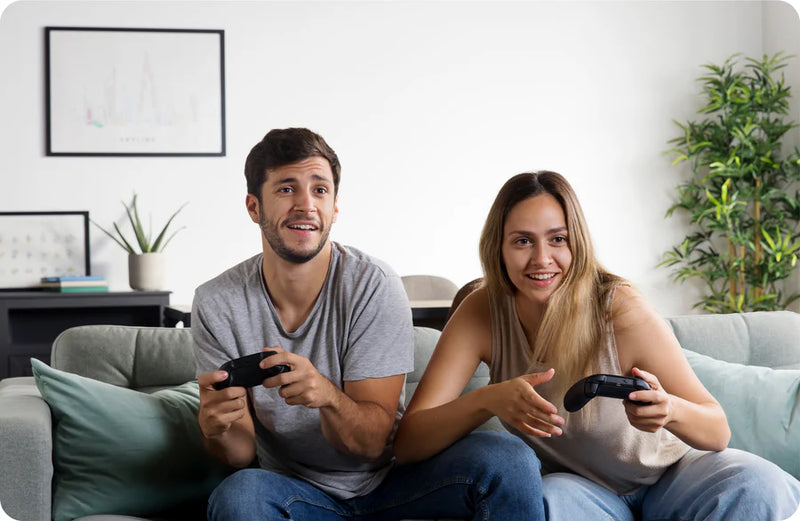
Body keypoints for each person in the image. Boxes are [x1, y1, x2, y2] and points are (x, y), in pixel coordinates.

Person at [393, 171, 800, 520]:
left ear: (578, 244)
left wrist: (669, 409)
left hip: (672, 476)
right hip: (581, 491)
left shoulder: (618, 307)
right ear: (498, 248)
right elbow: (410, 443)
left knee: (754, 481)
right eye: (521, 241)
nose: (541, 259)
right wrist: (487, 400)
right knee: (546, 501)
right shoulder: (481, 312)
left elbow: (717, 430)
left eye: (557, 239)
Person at [192, 128, 546, 521]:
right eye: (287, 189)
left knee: (508, 460)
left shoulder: (372, 284)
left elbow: (374, 444)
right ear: (254, 207)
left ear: (335, 206)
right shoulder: (217, 302)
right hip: (293, 492)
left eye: (320, 190)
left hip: (397, 482)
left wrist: (325, 395)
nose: (306, 205)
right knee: (239, 495)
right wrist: (215, 428)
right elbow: (239, 455)